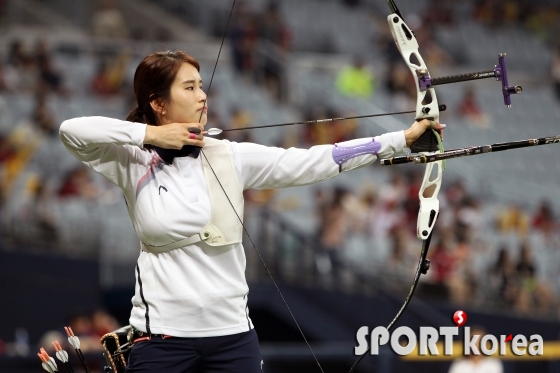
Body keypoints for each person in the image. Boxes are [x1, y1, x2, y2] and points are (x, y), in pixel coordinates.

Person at [59, 50, 444, 373]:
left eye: (202, 85)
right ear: (158, 103)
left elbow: (318, 159)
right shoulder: (131, 160)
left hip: (232, 340)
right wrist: (151, 135)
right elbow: (71, 130)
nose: (202, 96)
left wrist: (401, 139)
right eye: (189, 87)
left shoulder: (230, 155)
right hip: (161, 340)